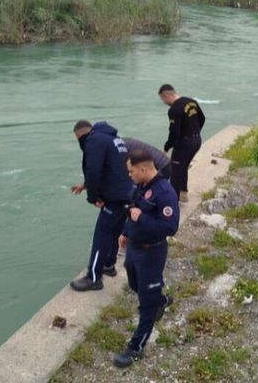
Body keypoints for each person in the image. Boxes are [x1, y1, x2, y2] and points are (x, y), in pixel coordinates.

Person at [113, 149, 179, 368]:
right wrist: (125, 232)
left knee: (146, 303)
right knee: (134, 283)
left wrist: (141, 219)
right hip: (134, 247)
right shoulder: (141, 186)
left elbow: (170, 227)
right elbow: (132, 210)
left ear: (143, 169)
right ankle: (160, 300)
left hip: (152, 251)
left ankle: (136, 347)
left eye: (131, 171)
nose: (129, 175)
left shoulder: (165, 192)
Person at [69, 120, 134, 291]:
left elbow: (94, 170)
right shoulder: (114, 138)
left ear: (82, 134)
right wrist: (86, 185)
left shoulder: (93, 140)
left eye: (78, 139)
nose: (81, 144)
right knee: (114, 232)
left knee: (102, 234)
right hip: (127, 194)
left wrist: (93, 197)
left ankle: (94, 278)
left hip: (114, 197)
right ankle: (108, 265)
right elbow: (112, 169)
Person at [158, 84, 206, 202]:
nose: (164, 102)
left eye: (163, 99)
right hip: (197, 141)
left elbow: (174, 132)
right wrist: (195, 132)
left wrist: (166, 147)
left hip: (185, 143)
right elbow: (202, 118)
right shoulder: (191, 102)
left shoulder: (174, 110)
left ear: (167, 95)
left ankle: (173, 200)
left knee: (175, 171)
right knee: (183, 166)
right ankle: (183, 194)